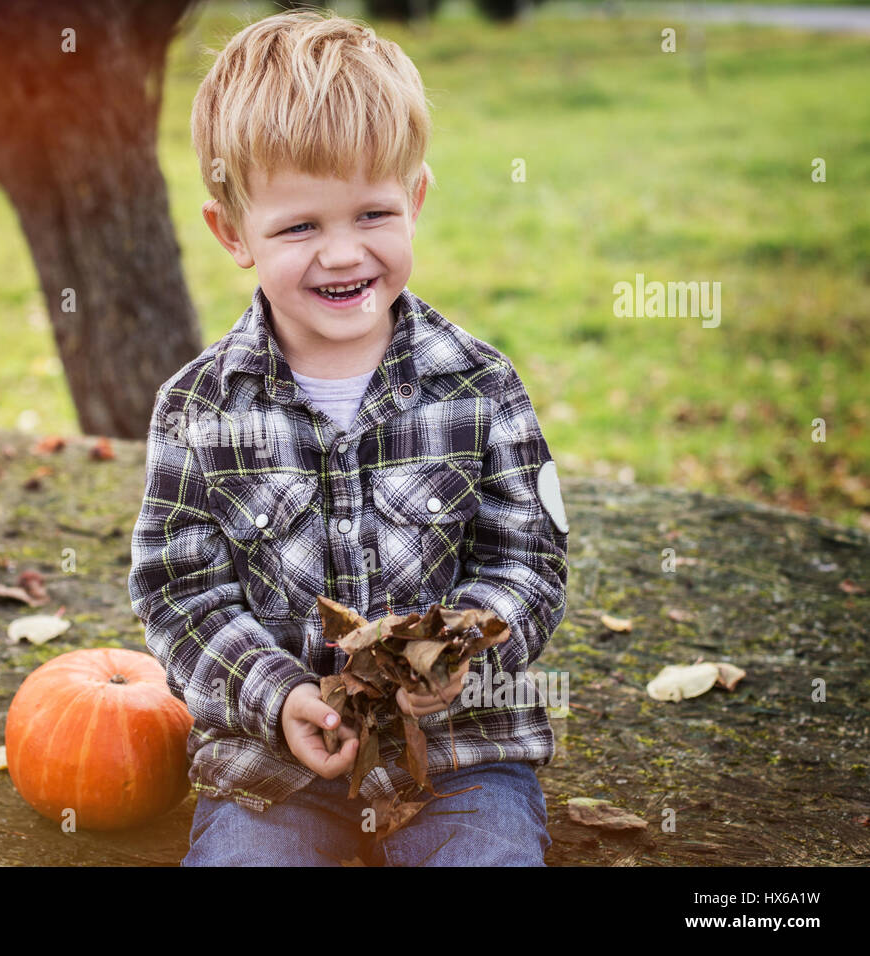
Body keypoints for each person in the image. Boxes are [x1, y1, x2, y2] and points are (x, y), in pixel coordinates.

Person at [128, 10, 569, 866]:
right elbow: (179, 593)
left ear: (416, 200)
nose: (342, 254)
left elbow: (529, 560)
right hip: (276, 764)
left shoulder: (480, 388)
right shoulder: (198, 410)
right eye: (300, 227)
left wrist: (468, 646)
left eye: (372, 214)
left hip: (460, 757)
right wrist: (277, 693)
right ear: (233, 234)